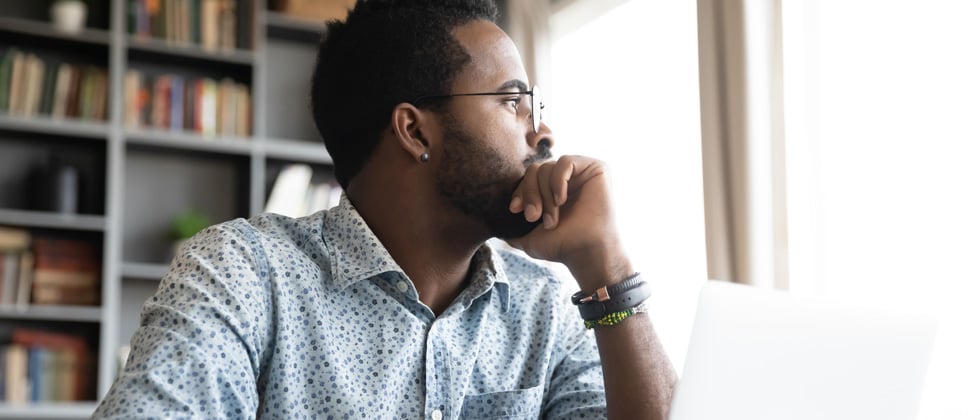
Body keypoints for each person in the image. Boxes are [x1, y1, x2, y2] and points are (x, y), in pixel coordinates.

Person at [93, 0, 676, 418]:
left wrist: (610, 271)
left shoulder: (545, 308)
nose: (543, 133)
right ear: (414, 131)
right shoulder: (246, 276)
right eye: (511, 102)